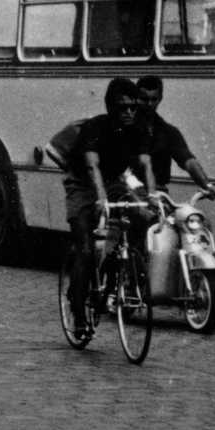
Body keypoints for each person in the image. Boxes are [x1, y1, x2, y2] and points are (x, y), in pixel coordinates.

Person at [63, 78, 157, 336]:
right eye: (122, 107)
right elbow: (92, 165)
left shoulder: (138, 131)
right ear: (110, 107)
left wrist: (151, 196)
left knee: (144, 216)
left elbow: (146, 165)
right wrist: (101, 200)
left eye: (133, 107)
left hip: (113, 181)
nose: (129, 112)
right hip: (83, 185)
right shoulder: (95, 127)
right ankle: (79, 312)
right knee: (84, 248)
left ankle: (117, 269)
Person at [135, 75, 215, 200]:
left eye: (154, 99)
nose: (150, 104)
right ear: (136, 99)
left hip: (160, 193)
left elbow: (188, 161)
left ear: (160, 99)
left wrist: (207, 185)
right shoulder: (126, 127)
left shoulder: (169, 131)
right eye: (144, 99)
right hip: (131, 193)